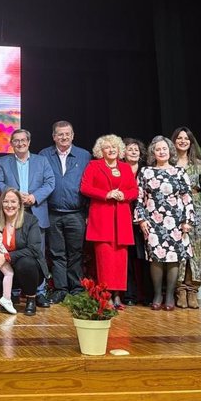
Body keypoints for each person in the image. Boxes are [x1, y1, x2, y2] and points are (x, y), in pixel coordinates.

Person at [0, 128, 55, 308]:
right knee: (11, 251)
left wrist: (34, 197)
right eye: (16, 141)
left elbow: (50, 182)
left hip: (35, 211)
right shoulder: (3, 162)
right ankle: (12, 292)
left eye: (23, 140)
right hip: (11, 212)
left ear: (29, 142)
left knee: (37, 253)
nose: (20, 143)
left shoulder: (42, 161)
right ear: (11, 144)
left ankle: (40, 292)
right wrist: (14, 196)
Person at [135, 135, 194, 311]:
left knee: (173, 258)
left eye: (164, 149)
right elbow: (139, 197)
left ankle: (169, 295)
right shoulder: (146, 172)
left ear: (170, 151)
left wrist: (187, 221)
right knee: (156, 258)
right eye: (158, 149)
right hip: (153, 220)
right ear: (153, 152)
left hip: (175, 221)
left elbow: (186, 197)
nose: (161, 151)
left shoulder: (179, 172)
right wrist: (141, 220)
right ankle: (157, 294)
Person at [80, 134, 138, 309]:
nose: (111, 150)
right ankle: (107, 295)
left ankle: (118, 295)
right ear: (100, 151)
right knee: (105, 260)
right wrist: (106, 194)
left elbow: (134, 190)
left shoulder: (126, 168)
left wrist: (124, 195)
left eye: (114, 147)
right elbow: (85, 187)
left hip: (121, 219)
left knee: (121, 260)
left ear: (119, 149)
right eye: (107, 147)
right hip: (102, 219)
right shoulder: (94, 165)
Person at [39, 121, 91, 304]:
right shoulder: (44, 155)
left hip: (76, 213)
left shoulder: (84, 156)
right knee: (57, 253)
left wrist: (88, 213)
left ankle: (76, 288)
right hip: (52, 213)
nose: (64, 137)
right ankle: (60, 289)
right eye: (60, 134)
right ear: (54, 136)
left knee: (76, 253)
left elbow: (90, 184)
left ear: (73, 135)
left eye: (67, 134)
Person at [0, 188, 49, 316]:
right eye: (6, 202)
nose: (9, 205)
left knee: (25, 263)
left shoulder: (30, 220)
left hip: (29, 270)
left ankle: (31, 298)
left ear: (20, 204)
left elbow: (34, 250)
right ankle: (7, 297)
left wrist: (7, 256)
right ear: (1, 204)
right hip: (6, 270)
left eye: (13, 202)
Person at [172, 127, 201, 309]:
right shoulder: (168, 162)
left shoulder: (200, 164)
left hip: (197, 207)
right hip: (174, 208)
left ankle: (193, 289)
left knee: (197, 247)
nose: (183, 141)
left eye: (186, 138)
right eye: (179, 138)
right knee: (178, 248)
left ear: (191, 142)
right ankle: (180, 290)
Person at [122, 137, 152, 306]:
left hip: (145, 221)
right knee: (128, 258)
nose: (133, 152)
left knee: (145, 258)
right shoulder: (118, 169)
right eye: (130, 149)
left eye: (136, 149)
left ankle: (147, 295)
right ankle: (129, 295)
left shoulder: (147, 170)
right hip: (124, 218)